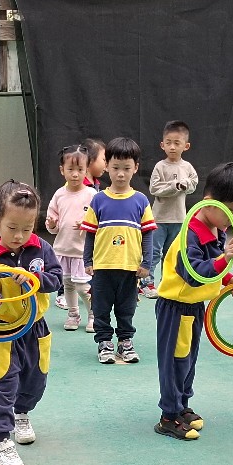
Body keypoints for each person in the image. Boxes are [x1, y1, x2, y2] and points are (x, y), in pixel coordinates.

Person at [0, 181, 63, 465]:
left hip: (35, 328)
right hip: (4, 331)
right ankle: (0, 441)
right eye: (12, 228)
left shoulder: (41, 249)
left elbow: (56, 278)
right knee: (3, 383)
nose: (20, 236)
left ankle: (22, 413)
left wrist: (36, 279)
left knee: (36, 380)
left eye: (27, 228)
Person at [153, 163, 233, 440]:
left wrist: (227, 277)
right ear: (209, 202)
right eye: (229, 211)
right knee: (174, 362)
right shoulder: (189, 235)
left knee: (188, 360)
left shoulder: (214, 230)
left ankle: (181, 406)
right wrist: (223, 260)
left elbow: (212, 266)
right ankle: (168, 416)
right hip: (175, 308)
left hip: (194, 307)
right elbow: (194, 274)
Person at [80, 137, 156, 365]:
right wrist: (87, 260)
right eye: (115, 168)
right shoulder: (98, 200)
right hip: (102, 268)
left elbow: (148, 235)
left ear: (136, 168)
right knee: (101, 308)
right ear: (107, 167)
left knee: (127, 308)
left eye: (126, 168)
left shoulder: (141, 201)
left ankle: (125, 342)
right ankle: (104, 342)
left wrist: (147, 264)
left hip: (130, 269)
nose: (120, 174)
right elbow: (90, 234)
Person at [43, 145, 96, 332]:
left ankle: (93, 315)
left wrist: (86, 224)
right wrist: (52, 223)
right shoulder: (59, 194)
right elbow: (53, 227)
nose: (75, 174)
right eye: (70, 169)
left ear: (87, 170)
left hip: (82, 251)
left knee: (83, 287)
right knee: (68, 285)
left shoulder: (92, 195)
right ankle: (73, 314)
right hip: (63, 249)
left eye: (80, 169)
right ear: (62, 170)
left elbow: (100, 222)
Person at [145, 120, 198, 299]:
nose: (172, 147)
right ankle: (147, 284)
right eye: (168, 143)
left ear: (186, 146)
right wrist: (174, 186)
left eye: (177, 143)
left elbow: (193, 184)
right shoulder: (160, 166)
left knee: (171, 254)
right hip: (159, 219)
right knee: (153, 252)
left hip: (179, 219)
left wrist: (185, 184)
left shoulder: (188, 167)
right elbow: (154, 189)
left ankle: (166, 284)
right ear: (162, 145)